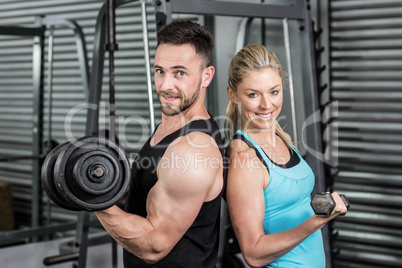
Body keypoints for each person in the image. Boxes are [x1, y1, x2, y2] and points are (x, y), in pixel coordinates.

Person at [94, 20, 224, 267]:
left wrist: (93, 200)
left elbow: (154, 245)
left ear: (206, 76)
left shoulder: (193, 150)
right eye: (159, 71)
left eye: (180, 73)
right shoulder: (170, 126)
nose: (165, 85)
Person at [224, 44, 348, 267]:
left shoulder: (284, 138)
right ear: (233, 94)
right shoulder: (245, 159)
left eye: (274, 92)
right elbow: (253, 253)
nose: (267, 105)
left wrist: (322, 206)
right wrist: (316, 221)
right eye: (253, 94)